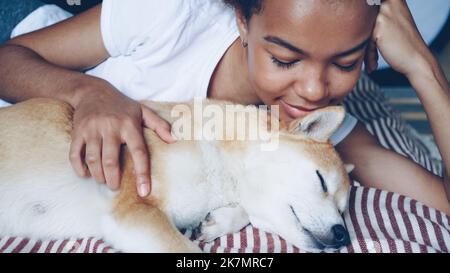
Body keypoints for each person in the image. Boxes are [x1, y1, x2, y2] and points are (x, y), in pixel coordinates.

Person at [0, 0, 448, 215]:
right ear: (241, 22)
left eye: (345, 63)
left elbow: (442, 204)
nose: (314, 90)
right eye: (284, 60)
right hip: (29, 29)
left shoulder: (319, 128)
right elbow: (8, 60)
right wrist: (88, 93)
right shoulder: (168, 15)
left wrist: (424, 70)